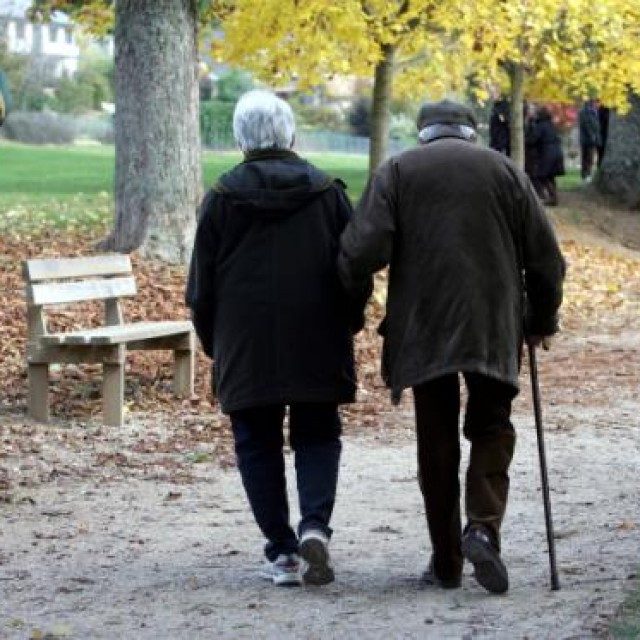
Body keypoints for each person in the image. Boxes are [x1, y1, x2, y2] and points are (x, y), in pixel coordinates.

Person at [338, 99, 565, 595]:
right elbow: (547, 259)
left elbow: (361, 252)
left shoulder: (397, 170)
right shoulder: (505, 171)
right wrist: (539, 319)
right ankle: (482, 526)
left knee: (435, 441)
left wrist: (352, 303)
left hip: (425, 327)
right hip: (492, 323)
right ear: (470, 131)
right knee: (491, 426)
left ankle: (446, 561)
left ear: (424, 133)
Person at [186, 90, 368, 587]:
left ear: (241, 137)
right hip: (316, 329)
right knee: (318, 432)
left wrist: (213, 341)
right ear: (290, 133)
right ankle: (314, 527)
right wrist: (346, 321)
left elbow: (201, 284)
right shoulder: (327, 192)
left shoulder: (222, 197)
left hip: (245, 336)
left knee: (255, 440)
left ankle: (283, 552)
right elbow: (353, 270)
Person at [525, 105, 565, 206]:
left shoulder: (541, 125)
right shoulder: (550, 124)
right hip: (556, 151)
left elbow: (532, 139)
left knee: (542, 176)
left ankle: (550, 197)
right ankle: (552, 197)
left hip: (548, 153)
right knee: (550, 176)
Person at [578, 98, 601, 181]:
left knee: (587, 157)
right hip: (588, 139)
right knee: (588, 157)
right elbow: (588, 125)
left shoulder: (590, 111)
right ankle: (586, 175)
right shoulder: (587, 112)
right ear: (594, 102)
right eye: (598, 103)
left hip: (588, 138)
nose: (599, 105)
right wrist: (593, 137)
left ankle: (585, 175)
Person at [596, 101, 610, 167]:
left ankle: (600, 166)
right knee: (601, 153)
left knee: (600, 154)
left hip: (601, 136)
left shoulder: (599, 111)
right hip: (603, 135)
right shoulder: (604, 112)